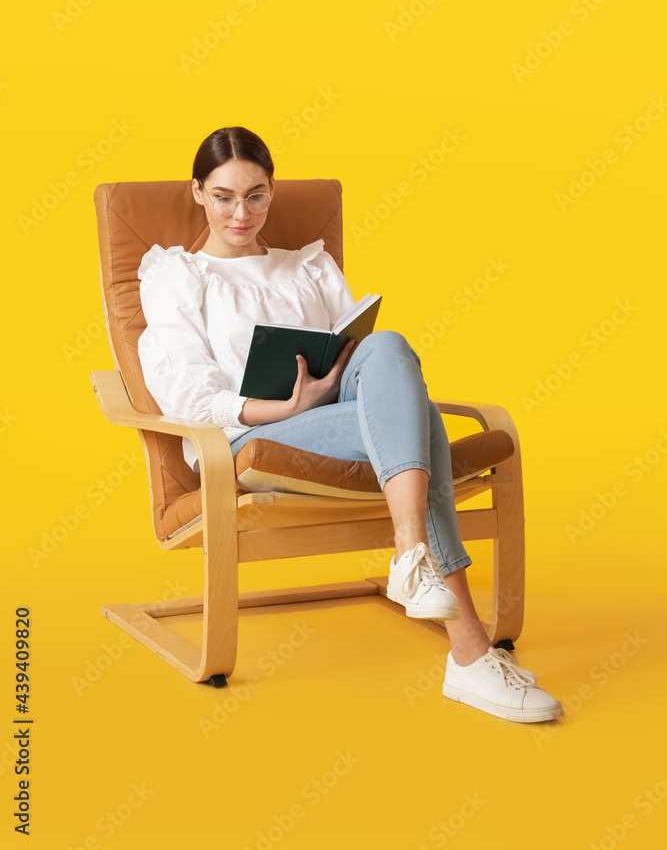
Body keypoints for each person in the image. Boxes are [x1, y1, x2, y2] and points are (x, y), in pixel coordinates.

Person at [137, 125, 563, 724]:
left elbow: (358, 353)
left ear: (271, 191)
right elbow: (186, 395)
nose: (242, 212)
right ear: (197, 192)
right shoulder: (178, 276)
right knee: (422, 426)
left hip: (338, 413)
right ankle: (468, 648)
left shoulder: (307, 265)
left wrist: (338, 374)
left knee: (387, 343)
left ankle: (413, 557)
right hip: (246, 439)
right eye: (224, 195)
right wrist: (285, 408)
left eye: (256, 195)